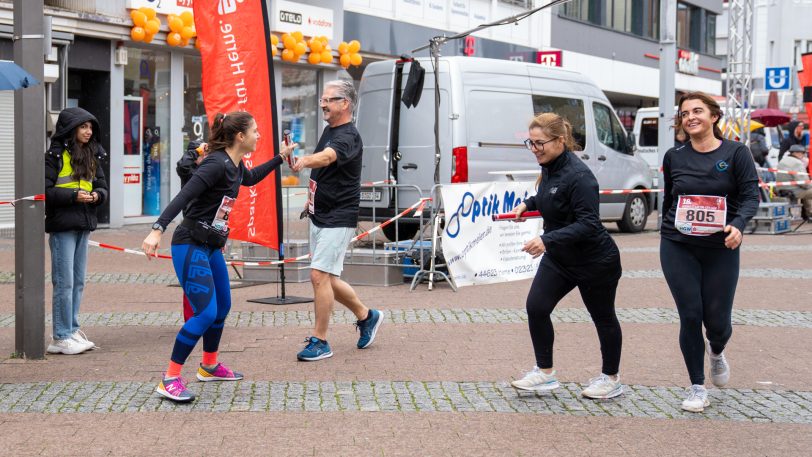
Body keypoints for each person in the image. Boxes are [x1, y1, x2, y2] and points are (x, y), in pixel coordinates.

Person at [142, 111, 295, 402]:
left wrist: (280, 157)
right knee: (206, 313)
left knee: (222, 305)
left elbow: (251, 179)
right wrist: (157, 229)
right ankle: (170, 378)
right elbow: (184, 196)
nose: (258, 136)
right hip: (189, 243)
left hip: (210, 245)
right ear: (240, 136)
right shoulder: (216, 164)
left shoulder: (236, 165)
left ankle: (209, 366)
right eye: (255, 131)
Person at [509, 112, 624, 400]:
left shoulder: (580, 176)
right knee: (536, 307)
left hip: (595, 260)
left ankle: (611, 378)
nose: (535, 149)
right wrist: (527, 203)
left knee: (603, 317)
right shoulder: (549, 165)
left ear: (560, 141)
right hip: (561, 257)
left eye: (540, 143)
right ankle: (545, 373)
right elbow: (551, 196)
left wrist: (546, 239)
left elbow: (588, 223)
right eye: (531, 143)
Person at [661, 92, 759, 413]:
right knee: (690, 314)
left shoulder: (736, 153)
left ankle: (717, 352)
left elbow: (749, 197)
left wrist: (739, 225)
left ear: (714, 117)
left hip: (721, 247)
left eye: (698, 111)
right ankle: (696, 386)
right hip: (678, 245)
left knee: (717, 322)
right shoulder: (673, 156)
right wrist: (667, 232)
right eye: (685, 112)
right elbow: (668, 201)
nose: (690, 117)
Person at [289, 80, 382, 361]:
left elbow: (329, 158)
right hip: (321, 213)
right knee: (327, 276)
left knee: (318, 275)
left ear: (346, 103)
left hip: (339, 217)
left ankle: (320, 340)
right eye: (322, 100)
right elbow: (326, 172)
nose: (323, 104)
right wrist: (310, 196)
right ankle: (367, 316)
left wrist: (304, 161)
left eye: (330, 100)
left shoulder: (348, 136)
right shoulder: (331, 130)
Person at [44, 107, 109, 355]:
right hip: (62, 226)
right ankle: (60, 336)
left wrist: (96, 196)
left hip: (84, 223)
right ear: (70, 130)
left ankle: (71, 329)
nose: (88, 131)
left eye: (90, 127)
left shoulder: (93, 155)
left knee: (78, 281)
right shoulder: (54, 156)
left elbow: (102, 187)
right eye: (83, 127)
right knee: (64, 282)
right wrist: (73, 196)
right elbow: (45, 191)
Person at [176, 139, 209, 321]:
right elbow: (183, 165)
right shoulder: (189, 173)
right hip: (193, 230)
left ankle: (208, 315)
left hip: (210, 231)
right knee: (193, 279)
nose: (205, 157)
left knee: (207, 278)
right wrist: (197, 150)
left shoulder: (210, 172)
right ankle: (192, 319)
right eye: (202, 154)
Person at [778, 144, 812, 220]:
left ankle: (809, 214)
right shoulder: (797, 162)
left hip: (782, 189)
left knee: (807, 193)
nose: (804, 155)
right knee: (809, 191)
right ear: (797, 153)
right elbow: (804, 183)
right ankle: (810, 213)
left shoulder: (783, 160)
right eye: (803, 153)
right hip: (793, 191)